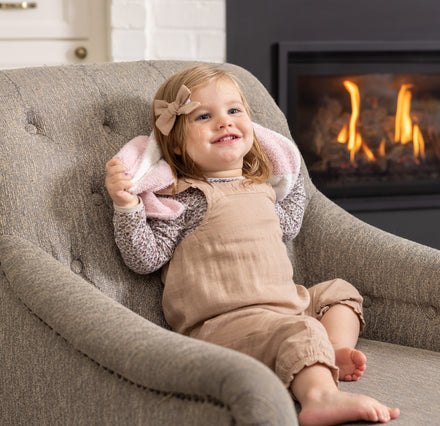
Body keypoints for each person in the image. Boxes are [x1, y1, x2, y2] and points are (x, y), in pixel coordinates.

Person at [105, 64, 400, 425]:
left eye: (233, 111)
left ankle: (333, 352)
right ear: (177, 144)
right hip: (225, 325)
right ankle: (321, 397)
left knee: (340, 292)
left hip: (286, 308)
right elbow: (145, 258)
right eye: (203, 116)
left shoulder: (262, 187)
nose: (224, 122)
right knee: (300, 330)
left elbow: (289, 226)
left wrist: (291, 177)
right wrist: (128, 207)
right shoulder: (185, 199)